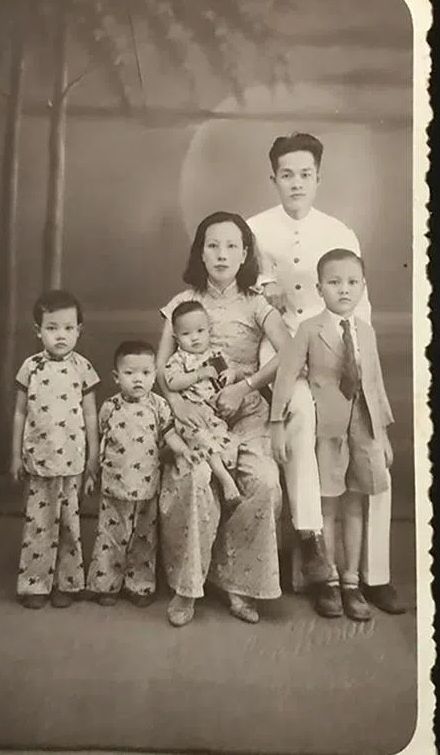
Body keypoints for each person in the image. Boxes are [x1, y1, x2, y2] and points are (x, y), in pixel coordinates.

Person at [248, 132, 406, 613]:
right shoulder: (255, 230)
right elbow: (253, 299)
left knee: (370, 446)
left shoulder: (340, 232)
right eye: (287, 175)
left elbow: (361, 307)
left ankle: (375, 575)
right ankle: (316, 554)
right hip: (283, 352)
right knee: (301, 415)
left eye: (305, 175)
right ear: (273, 178)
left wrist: (357, 365)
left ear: (319, 178)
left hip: (337, 350)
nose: (296, 184)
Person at [156, 211, 293, 627]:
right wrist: (176, 404)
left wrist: (246, 385)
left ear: (245, 253)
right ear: (200, 253)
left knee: (264, 480)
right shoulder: (181, 303)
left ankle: (239, 583)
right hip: (195, 414)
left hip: (245, 412)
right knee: (197, 478)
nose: (221, 254)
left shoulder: (256, 303)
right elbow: (161, 367)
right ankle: (188, 585)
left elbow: (290, 351)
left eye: (232, 246)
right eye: (212, 245)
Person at [270, 249, 395, 620]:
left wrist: (383, 435)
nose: (344, 290)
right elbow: (286, 376)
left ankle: (352, 581)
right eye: (334, 282)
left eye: (352, 282)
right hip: (328, 430)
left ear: (363, 287)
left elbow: (375, 384)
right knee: (328, 503)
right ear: (319, 288)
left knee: (356, 503)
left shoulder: (366, 332)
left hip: (364, 429)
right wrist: (277, 424)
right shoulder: (310, 330)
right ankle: (329, 581)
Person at [10, 290, 100, 609]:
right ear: (39, 331)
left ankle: (68, 582)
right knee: (39, 523)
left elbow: (91, 416)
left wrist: (92, 457)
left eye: (68, 328)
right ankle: (35, 584)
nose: (60, 335)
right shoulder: (31, 367)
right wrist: (15, 455)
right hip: (39, 460)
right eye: (52, 328)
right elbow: (20, 413)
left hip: (73, 461)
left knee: (69, 525)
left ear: (79, 330)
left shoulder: (83, 368)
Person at [86, 340, 189, 607]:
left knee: (144, 538)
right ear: (116, 377)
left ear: (154, 375)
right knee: (110, 536)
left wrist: (182, 451)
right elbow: (102, 441)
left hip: (147, 486)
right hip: (114, 485)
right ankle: (106, 584)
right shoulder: (109, 407)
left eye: (145, 373)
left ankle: (140, 585)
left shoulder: (159, 406)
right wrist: (93, 472)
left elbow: (169, 435)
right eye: (130, 373)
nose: (138, 379)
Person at [163, 300, 242, 502]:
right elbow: (172, 382)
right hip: (190, 416)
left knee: (227, 444)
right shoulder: (178, 359)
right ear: (176, 338)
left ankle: (228, 489)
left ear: (209, 331)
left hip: (213, 415)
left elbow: (229, 373)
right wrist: (198, 374)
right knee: (204, 440)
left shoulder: (215, 355)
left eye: (200, 331)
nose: (195, 338)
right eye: (186, 334)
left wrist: (230, 374)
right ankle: (225, 480)